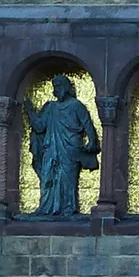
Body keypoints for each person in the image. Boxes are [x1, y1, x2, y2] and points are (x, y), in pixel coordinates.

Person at [25, 74, 100, 217]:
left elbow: (87, 124)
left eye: (58, 86)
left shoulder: (76, 105)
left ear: (66, 87)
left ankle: (68, 208)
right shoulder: (51, 107)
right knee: (47, 177)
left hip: (70, 147)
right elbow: (40, 126)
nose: (56, 90)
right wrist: (30, 112)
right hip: (51, 147)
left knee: (68, 179)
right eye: (54, 87)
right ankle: (46, 208)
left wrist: (92, 141)